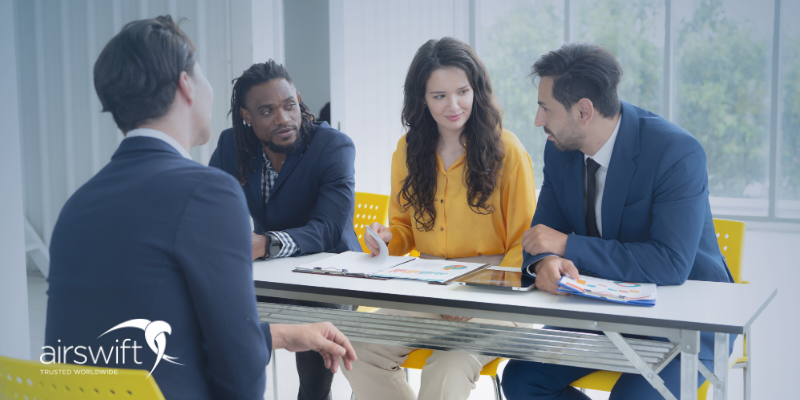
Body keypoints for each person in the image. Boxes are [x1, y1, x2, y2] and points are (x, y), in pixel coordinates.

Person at [44, 16, 356, 400]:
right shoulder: (208, 192)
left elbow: (161, 330)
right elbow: (238, 370)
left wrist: (280, 334)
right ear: (186, 85)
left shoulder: (76, 207)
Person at [500, 43, 734, 400]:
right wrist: (545, 262)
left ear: (584, 111)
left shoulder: (676, 152)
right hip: (604, 313)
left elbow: (670, 263)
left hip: (686, 322)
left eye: (545, 108)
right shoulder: (560, 149)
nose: (538, 120)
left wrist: (567, 245)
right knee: (521, 379)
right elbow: (542, 236)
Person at [341, 37, 537, 400]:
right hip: (430, 289)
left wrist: (476, 294)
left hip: (495, 293)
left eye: (462, 92)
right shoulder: (407, 151)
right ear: (422, 98)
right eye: (439, 96)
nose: (454, 105)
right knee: (358, 348)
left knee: (447, 366)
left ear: (476, 90)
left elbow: (525, 245)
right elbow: (404, 229)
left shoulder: (507, 151)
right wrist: (388, 239)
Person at [208, 60, 360, 400]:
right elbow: (208, 207)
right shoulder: (232, 145)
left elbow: (328, 229)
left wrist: (265, 244)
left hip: (331, 277)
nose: (283, 118)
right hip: (271, 276)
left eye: (289, 105)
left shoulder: (333, 146)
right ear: (246, 116)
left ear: (298, 100)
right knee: (214, 315)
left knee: (313, 368)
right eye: (267, 111)